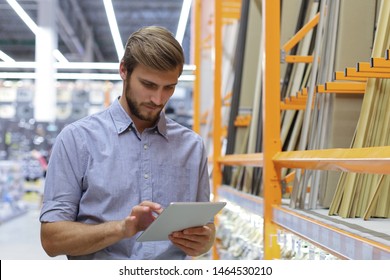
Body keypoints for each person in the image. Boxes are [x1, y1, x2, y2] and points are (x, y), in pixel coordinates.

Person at [39, 26, 215, 260]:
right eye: (149, 85)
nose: (158, 99)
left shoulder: (192, 147)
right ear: (124, 70)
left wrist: (204, 240)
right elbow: (52, 239)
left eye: (169, 87)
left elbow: (206, 229)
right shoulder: (77, 140)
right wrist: (123, 228)